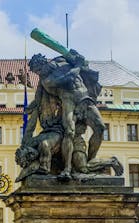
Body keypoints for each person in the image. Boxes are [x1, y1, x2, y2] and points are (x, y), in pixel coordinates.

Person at [27, 51, 105, 180]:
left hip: (85, 98)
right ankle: (67, 169)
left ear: (43, 63)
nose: (39, 73)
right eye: (36, 72)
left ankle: (92, 159)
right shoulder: (47, 81)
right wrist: (78, 66)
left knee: (100, 128)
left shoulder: (62, 61)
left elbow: (83, 62)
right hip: (68, 101)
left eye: (38, 70)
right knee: (69, 132)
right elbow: (67, 79)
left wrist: (79, 59)